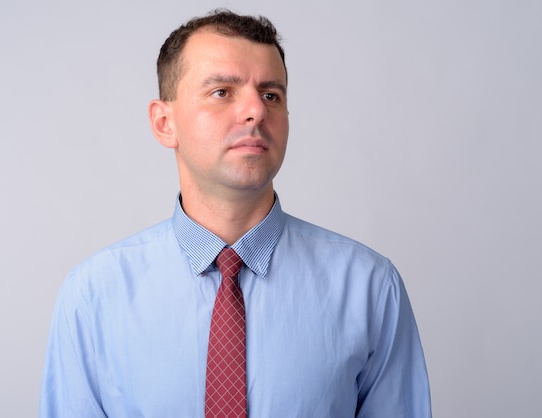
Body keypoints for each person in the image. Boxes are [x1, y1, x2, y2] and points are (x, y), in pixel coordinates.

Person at [39, 9, 432, 418]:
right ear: (164, 122)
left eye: (271, 95)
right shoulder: (92, 296)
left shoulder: (369, 288)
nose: (256, 111)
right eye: (222, 92)